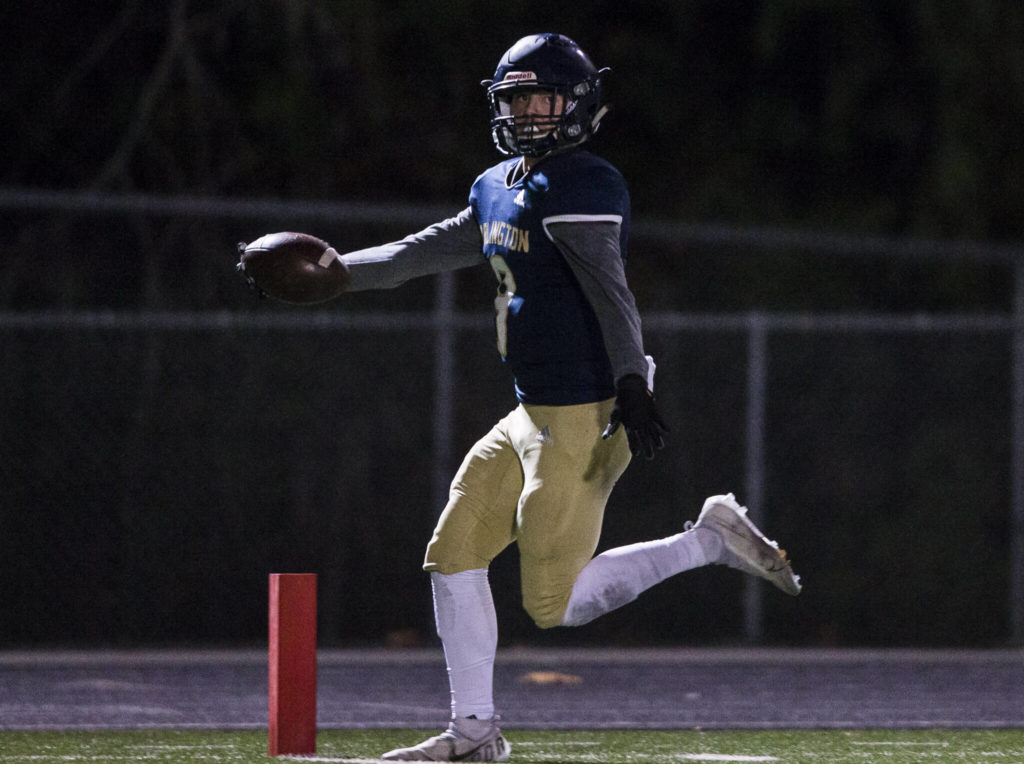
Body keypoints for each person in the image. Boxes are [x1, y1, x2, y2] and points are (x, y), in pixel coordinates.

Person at [323, 33, 802, 762]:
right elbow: (419, 253)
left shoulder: (584, 183)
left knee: (552, 605)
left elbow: (613, 296)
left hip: (587, 410)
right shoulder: (496, 184)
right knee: (452, 554)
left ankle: (706, 541)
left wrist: (631, 385)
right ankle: (474, 736)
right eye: (514, 98)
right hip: (529, 412)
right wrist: (333, 272)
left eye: (540, 98)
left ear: (577, 105)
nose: (525, 112)